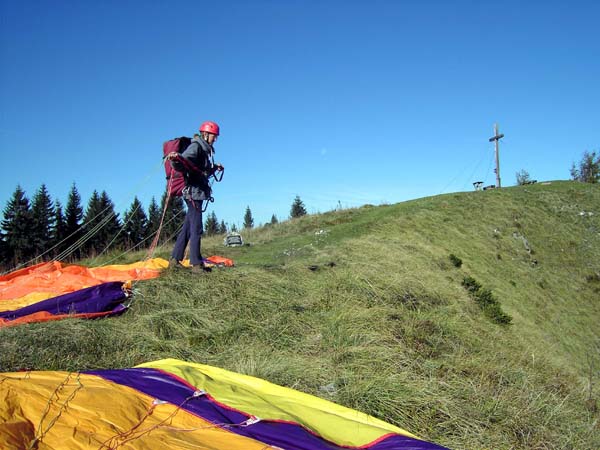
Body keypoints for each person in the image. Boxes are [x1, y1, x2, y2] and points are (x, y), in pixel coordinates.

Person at [166, 121, 222, 273]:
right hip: (192, 193)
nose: (215, 139)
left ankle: (175, 260)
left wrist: (214, 169)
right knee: (196, 227)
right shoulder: (196, 146)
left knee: (188, 228)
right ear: (205, 134)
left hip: (197, 192)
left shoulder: (205, 150)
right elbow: (182, 162)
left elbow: (200, 172)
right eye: (213, 136)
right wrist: (175, 159)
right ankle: (196, 264)